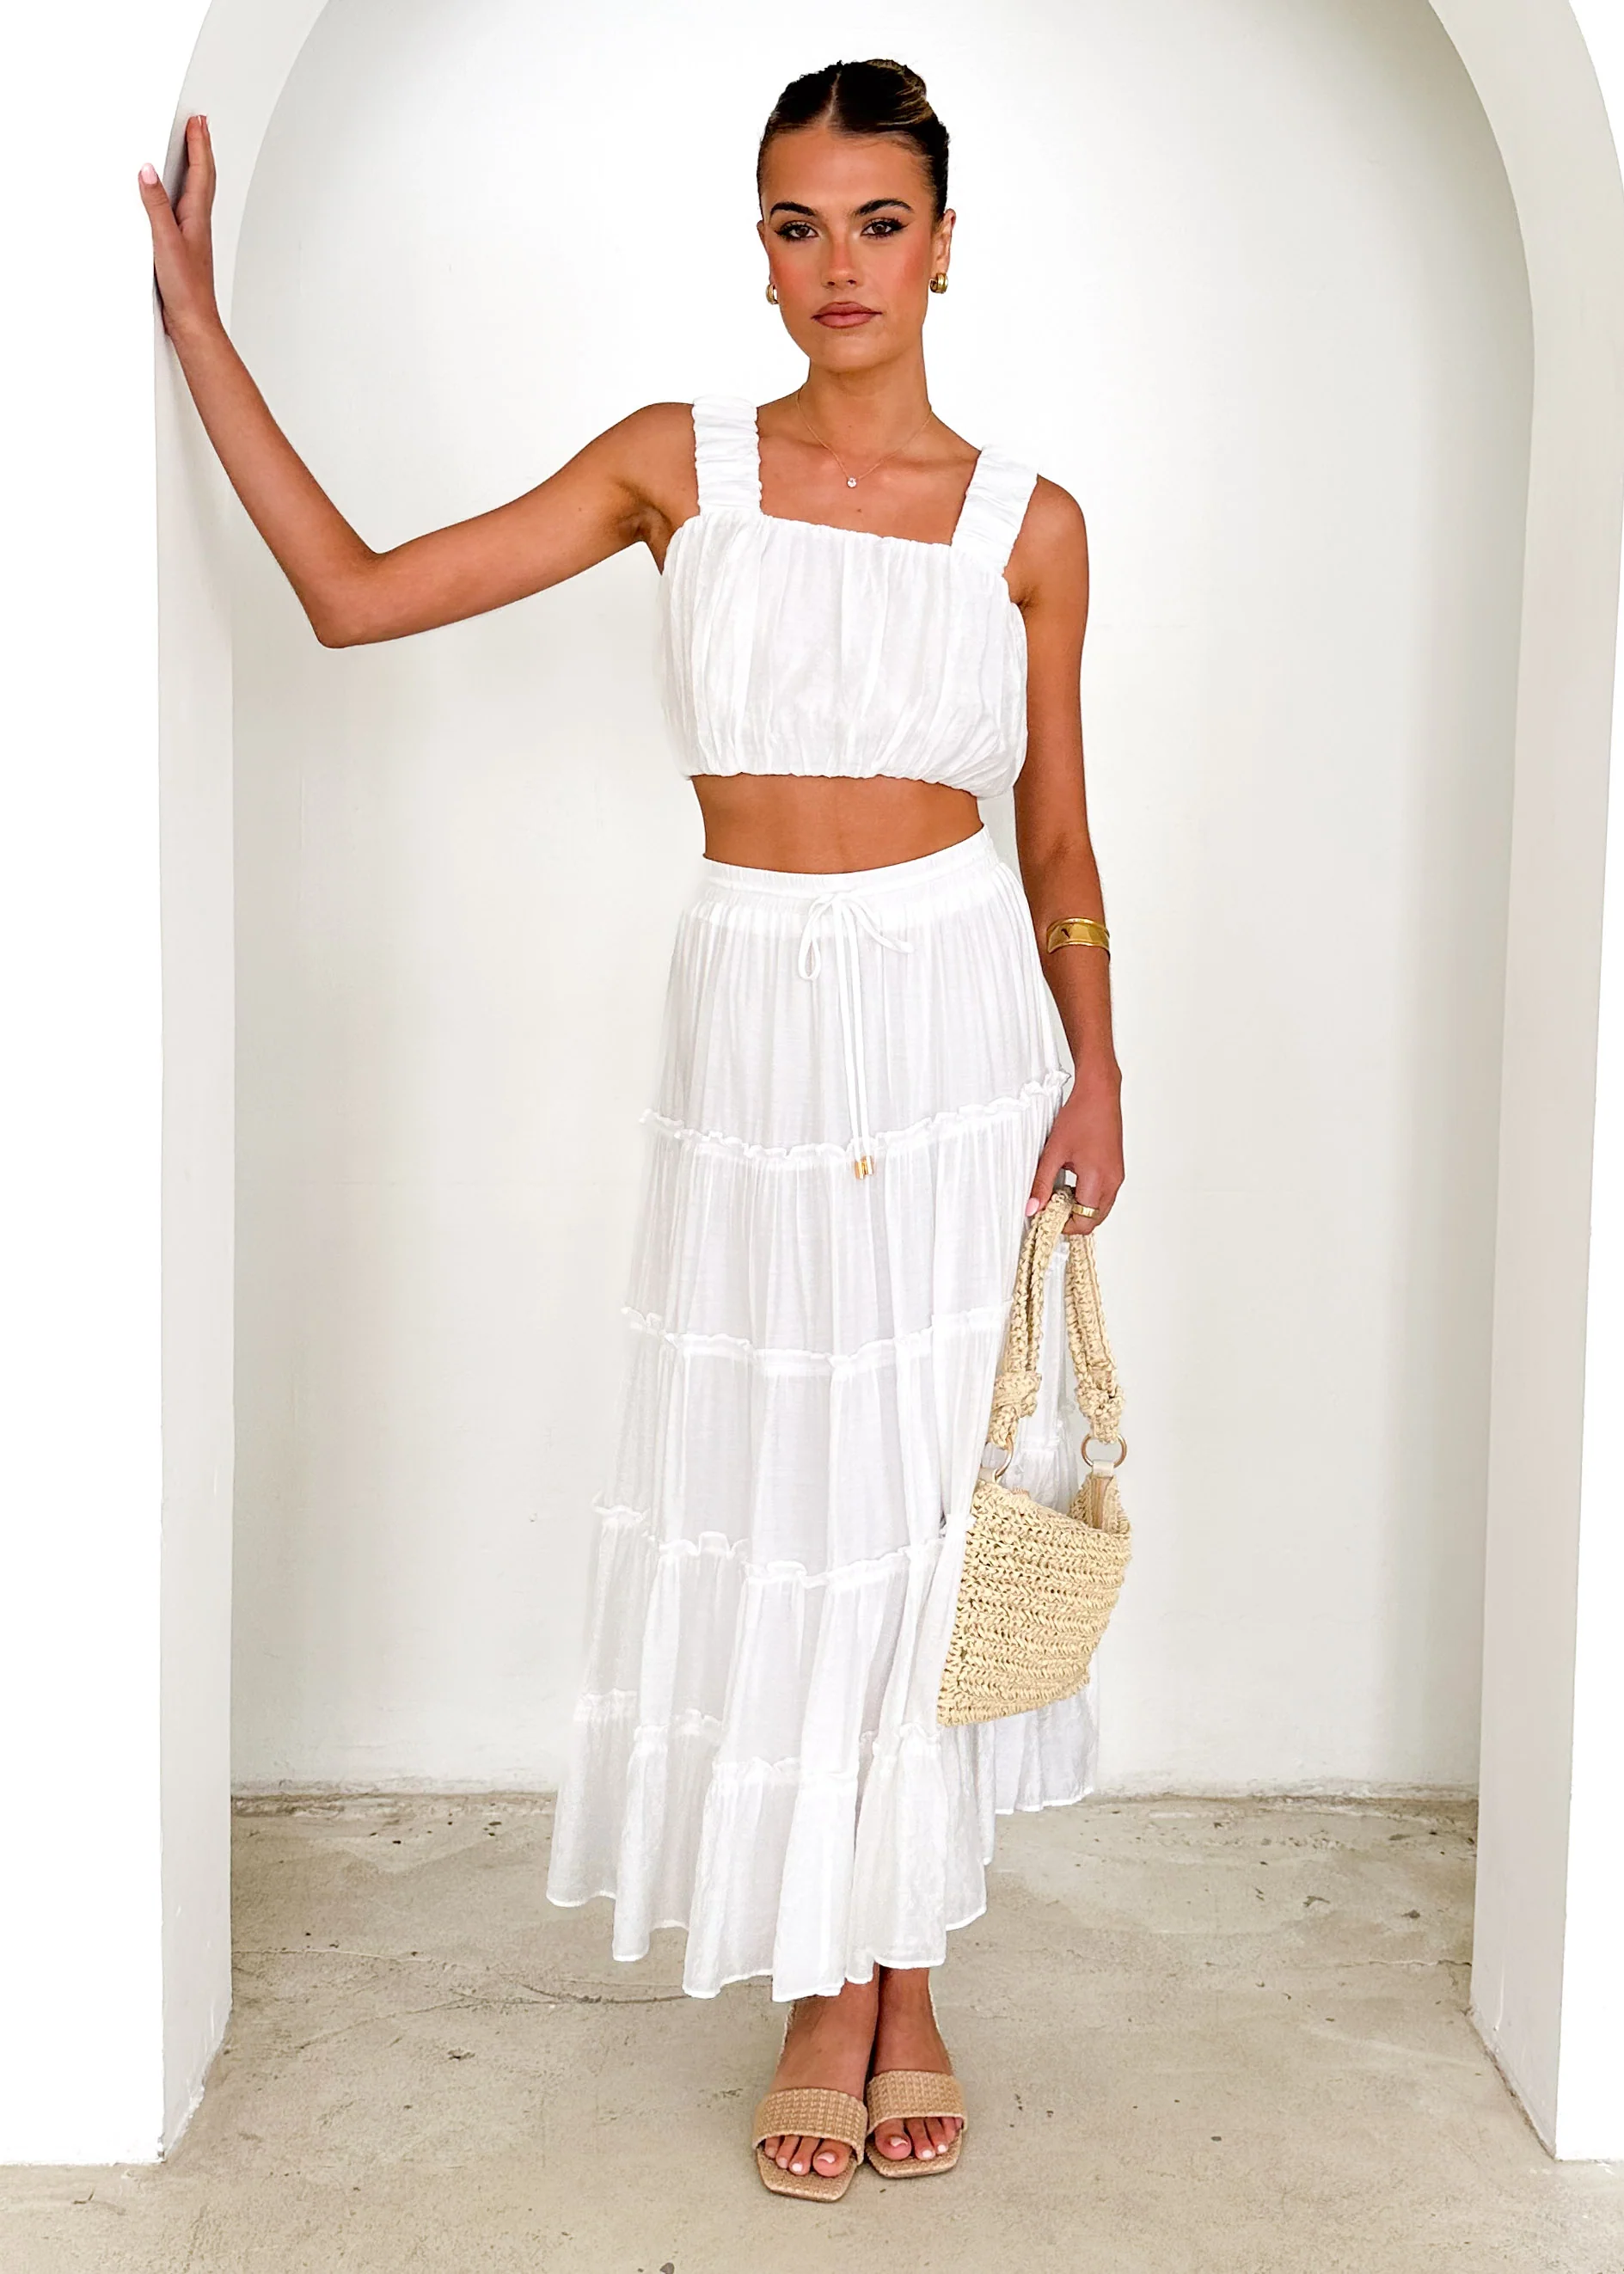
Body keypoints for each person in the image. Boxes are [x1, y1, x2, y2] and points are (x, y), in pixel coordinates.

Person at [140, 56, 1123, 2200]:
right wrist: (201, 327)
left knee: (929, 1498)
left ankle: (905, 1967)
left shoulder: (1026, 524)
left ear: (944, 245)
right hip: (753, 1015)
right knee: (785, 1477)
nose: (838, 263)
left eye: (877, 222)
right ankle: (819, 1977)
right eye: (796, 222)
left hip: (958, 1020)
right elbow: (355, 595)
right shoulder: (676, 464)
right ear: (757, 249)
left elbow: (1054, 831)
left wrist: (1099, 1063)